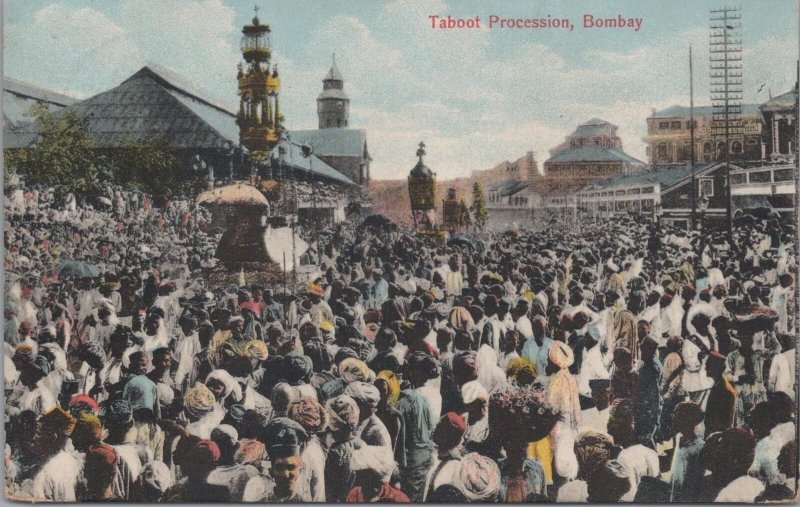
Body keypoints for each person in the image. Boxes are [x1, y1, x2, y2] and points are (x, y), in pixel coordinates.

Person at [669, 401, 705, 502]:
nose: (673, 419)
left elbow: (695, 483)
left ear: (687, 421)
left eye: (677, 416)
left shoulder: (699, 447)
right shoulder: (678, 438)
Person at [703, 351, 737, 437]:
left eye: (708, 365)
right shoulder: (718, 385)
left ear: (715, 367)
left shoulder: (725, 390)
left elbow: (725, 423)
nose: (705, 368)